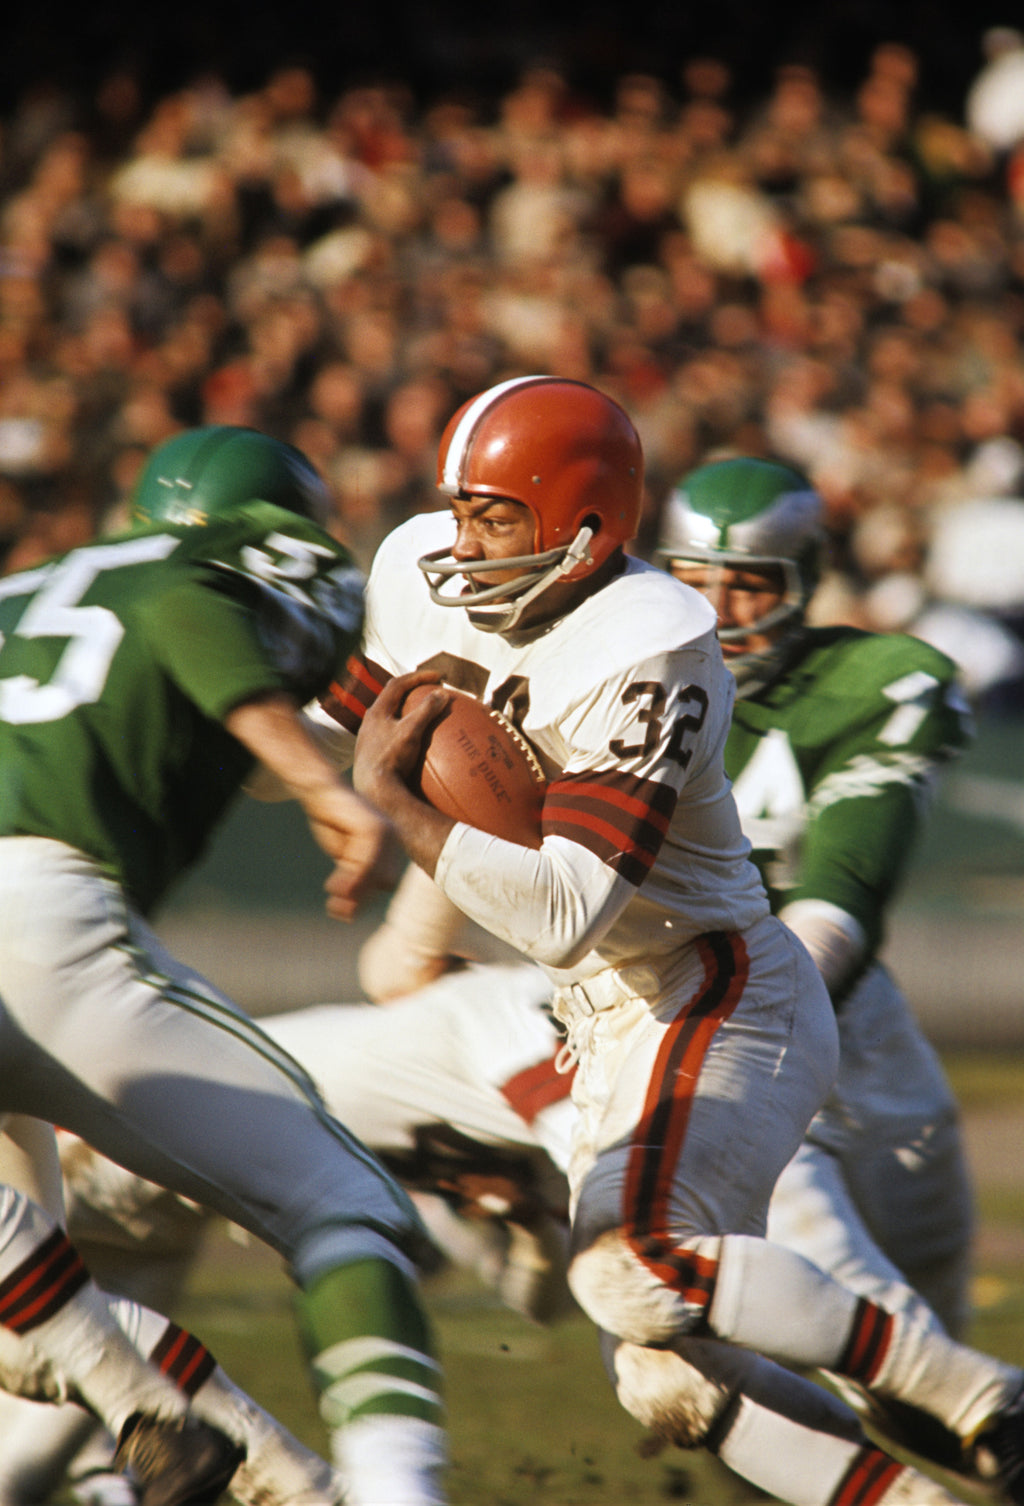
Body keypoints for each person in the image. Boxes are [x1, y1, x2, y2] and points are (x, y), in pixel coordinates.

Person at [334, 374, 1024, 1506]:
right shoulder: (420, 570)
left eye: (496, 516)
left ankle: (975, 1395)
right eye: (461, 509)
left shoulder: (648, 640)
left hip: (711, 988)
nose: (462, 543)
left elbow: (563, 913)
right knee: (663, 1374)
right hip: (601, 1018)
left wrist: (404, 808)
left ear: (588, 525)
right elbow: (356, 698)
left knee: (631, 1273)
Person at [0, 425, 447, 1506]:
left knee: (30, 1310)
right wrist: (319, 783)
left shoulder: (27, 592)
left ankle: (183, 1433)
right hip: (34, 919)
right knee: (345, 1204)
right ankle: (390, 1493)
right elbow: (187, 614)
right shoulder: (222, 567)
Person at [0, 1178, 242, 1506]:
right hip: (157, 1212)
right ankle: (108, 1475)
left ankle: (108, 1474)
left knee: (14, 1477)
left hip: (100, 1179)